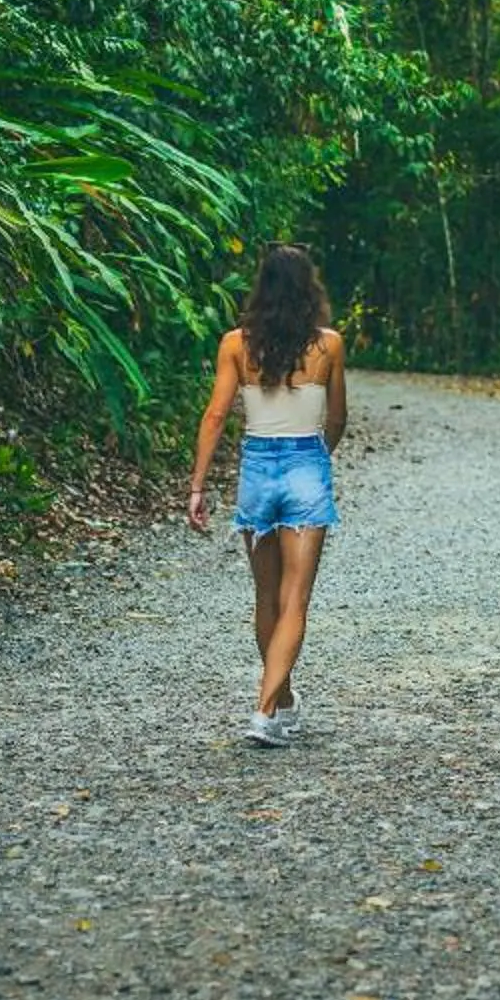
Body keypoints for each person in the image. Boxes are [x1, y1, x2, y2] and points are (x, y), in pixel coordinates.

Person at [187, 244, 349, 747]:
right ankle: (264, 710)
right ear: (308, 288)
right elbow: (338, 418)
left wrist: (197, 486)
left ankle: (281, 700)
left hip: (257, 469)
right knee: (295, 598)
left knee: (266, 596)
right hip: (305, 464)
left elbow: (215, 416)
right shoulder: (329, 346)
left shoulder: (236, 344)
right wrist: (319, 457)